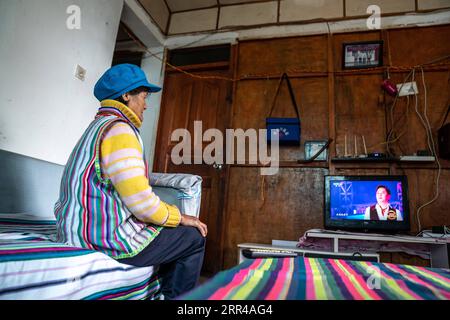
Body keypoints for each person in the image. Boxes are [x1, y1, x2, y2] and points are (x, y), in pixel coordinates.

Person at [54, 63, 207, 299]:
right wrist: (181, 217)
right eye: (144, 97)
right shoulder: (120, 131)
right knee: (193, 237)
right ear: (126, 96)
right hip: (102, 238)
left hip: (73, 230)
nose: (146, 104)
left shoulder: (96, 127)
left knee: (166, 232)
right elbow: (142, 205)